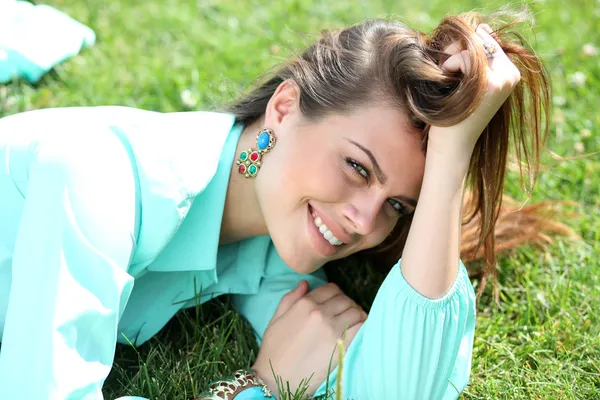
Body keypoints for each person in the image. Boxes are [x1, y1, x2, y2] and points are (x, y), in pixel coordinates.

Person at [0, 9, 552, 400]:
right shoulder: (92, 178)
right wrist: (255, 388)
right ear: (284, 109)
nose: (364, 221)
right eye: (357, 167)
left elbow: (396, 391)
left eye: (399, 207)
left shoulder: (272, 257)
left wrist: (452, 159)